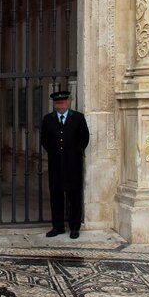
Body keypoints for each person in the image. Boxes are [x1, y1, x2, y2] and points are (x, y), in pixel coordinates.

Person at [40, 90, 90, 239]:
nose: (60, 105)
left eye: (62, 102)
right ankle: (58, 226)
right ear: (54, 104)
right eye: (57, 103)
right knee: (56, 195)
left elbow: (84, 139)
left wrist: (74, 153)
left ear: (68, 102)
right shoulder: (48, 119)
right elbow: (45, 141)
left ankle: (74, 227)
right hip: (55, 164)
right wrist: (56, 153)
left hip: (73, 164)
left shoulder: (78, 118)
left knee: (74, 195)